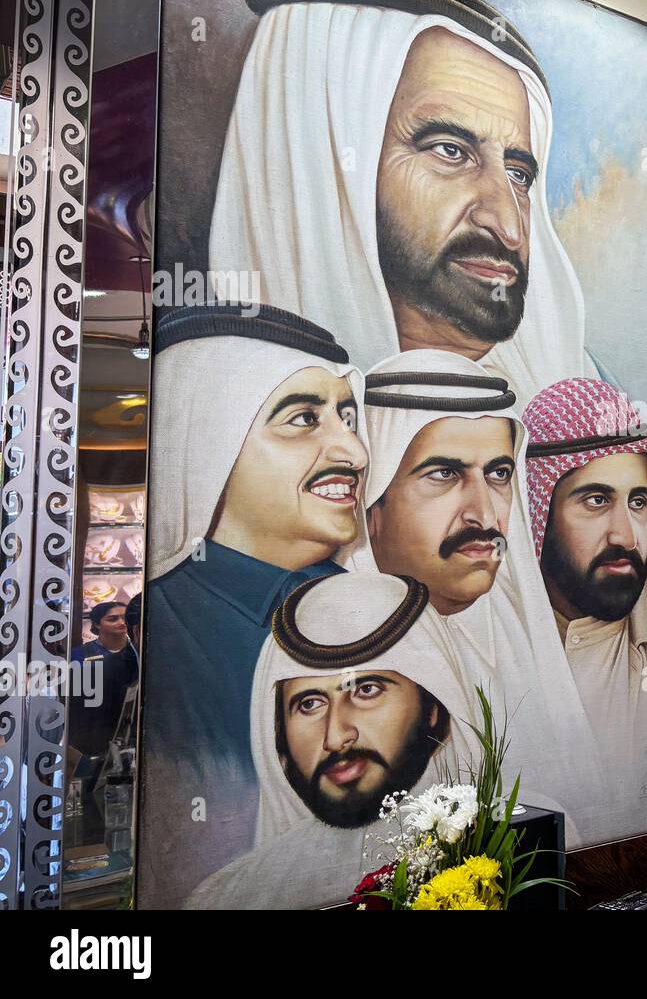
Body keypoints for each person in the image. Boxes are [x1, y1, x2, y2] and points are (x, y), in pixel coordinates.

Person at [208, 0, 594, 401]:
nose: (509, 226)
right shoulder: (234, 404)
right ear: (327, 161)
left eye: (518, 174)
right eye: (451, 151)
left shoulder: (579, 415)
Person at [138, 303, 369, 908]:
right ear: (208, 440)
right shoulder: (151, 634)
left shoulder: (374, 609)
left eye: (348, 417)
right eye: (303, 419)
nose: (354, 452)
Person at [355, 350, 602, 844]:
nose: (484, 514)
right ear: (372, 500)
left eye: (499, 474)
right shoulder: (328, 661)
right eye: (444, 474)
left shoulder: (516, 633)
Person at [187, 572, 474, 909]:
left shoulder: (511, 849)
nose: (336, 737)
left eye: (367, 690)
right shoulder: (225, 900)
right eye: (309, 704)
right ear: (278, 739)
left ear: (433, 710)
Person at [523, 378, 647, 838]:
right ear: (536, 512)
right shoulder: (492, 634)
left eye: (638, 502)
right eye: (597, 501)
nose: (626, 535)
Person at [67, 602, 139, 774]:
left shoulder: (137, 654)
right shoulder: (80, 656)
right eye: (113, 619)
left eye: (124, 618)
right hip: (95, 744)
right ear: (98, 624)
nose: (121, 623)